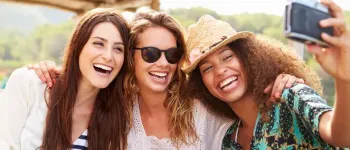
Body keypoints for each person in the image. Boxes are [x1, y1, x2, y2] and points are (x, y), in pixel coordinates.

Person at [29, 11, 304, 149]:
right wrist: (53, 72)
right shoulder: (115, 109)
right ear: (130, 57)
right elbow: (88, 78)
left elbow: (250, 119)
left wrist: (280, 81)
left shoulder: (202, 109)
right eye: (150, 53)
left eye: (172, 54)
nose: (163, 63)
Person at [183, 0, 350, 149]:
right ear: (201, 84)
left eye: (227, 57)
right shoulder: (229, 138)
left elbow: (341, 137)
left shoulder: (290, 95)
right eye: (207, 68)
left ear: (248, 58)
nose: (220, 70)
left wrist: (346, 79)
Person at [0, 8, 131, 150]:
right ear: (78, 46)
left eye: (118, 49)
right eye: (99, 44)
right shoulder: (28, 85)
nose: (108, 56)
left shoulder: (118, 118)